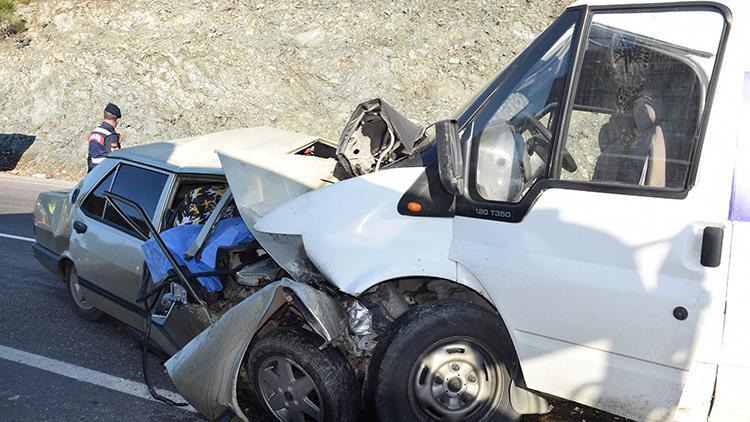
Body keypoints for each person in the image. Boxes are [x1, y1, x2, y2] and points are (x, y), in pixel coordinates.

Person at [87, 103, 126, 172]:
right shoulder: (110, 136)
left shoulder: (95, 132)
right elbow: (114, 157)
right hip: (104, 171)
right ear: (116, 120)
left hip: (93, 171)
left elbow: (90, 156)